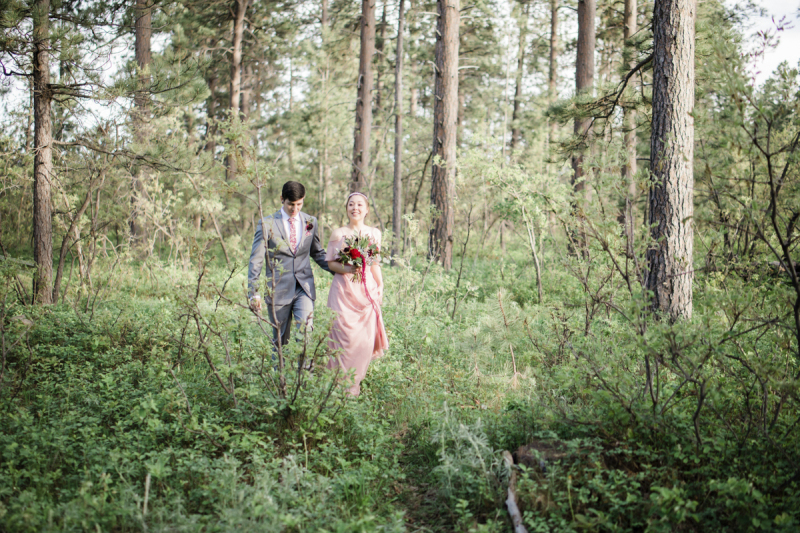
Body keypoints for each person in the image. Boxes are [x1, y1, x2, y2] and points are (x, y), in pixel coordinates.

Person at [248, 181, 332, 347]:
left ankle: (304, 372)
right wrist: (254, 292)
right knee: (280, 342)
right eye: (290, 205)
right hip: (278, 289)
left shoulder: (310, 222)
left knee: (305, 335)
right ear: (282, 199)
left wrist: (341, 269)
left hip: (304, 288)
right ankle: (279, 373)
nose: (295, 209)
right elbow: (256, 260)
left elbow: (317, 253)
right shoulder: (267, 224)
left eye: (299, 204)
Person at [325, 192, 389, 396]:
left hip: (366, 291)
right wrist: (350, 268)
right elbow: (331, 263)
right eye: (351, 204)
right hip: (343, 291)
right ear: (346, 208)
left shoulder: (374, 233)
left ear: (367, 209)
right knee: (342, 336)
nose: (355, 208)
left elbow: (375, 264)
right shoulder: (338, 233)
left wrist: (380, 285)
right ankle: (336, 385)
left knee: (363, 340)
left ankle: (354, 385)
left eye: (360, 204)